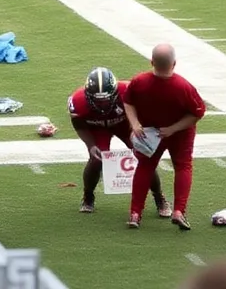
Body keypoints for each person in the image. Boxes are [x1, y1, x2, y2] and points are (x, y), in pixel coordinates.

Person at [122, 44, 206, 230]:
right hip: (179, 133)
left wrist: (135, 124)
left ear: (152, 61)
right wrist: (173, 128)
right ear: (174, 63)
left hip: (150, 134)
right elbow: (197, 113)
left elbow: (127, 102)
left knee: (145, 167)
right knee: (183, 167)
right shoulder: (183, 86)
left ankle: (135, 213)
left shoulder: (139, 81)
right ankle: (179, 211)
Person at [67, 67, 168, 216]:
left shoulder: (129, 90)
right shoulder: (78, 100)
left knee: (145, 157)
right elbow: (79, 125)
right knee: (96, 159)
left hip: (125, 124)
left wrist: (139, 127)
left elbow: (148, 111)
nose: (102, 104)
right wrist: (91, 145)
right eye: (97, 100)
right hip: (97, 127)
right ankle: (88, 196)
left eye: (106, 100)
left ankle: (159, 198)